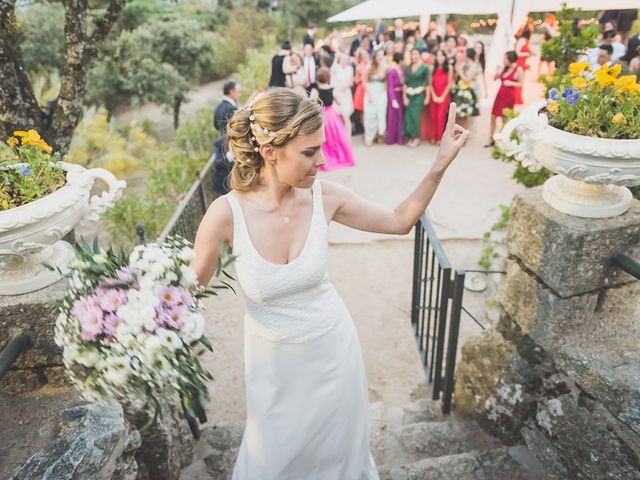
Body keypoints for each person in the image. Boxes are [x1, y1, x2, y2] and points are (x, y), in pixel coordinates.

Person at [190, 88, 470, 480]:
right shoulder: (224, 215)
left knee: (338, 456)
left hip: (334, 352)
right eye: (309, 152)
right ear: (270, 150)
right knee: (274, 460)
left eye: (321, 148)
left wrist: (439, 165)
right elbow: (188, 289)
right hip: (273, 368)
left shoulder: (326, 198)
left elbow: (398, 220)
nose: (322, 161)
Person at [313, 68, 355, 171]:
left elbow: (312, 103)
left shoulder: (316, 90)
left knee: (324, 139)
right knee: (336, 137)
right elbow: (339, 102)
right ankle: (340, 158)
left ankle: (327, 159)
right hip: (332, 115)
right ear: (328, 78)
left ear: (318, 78)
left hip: (321, 114)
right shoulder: (332, 89)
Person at [487, 51, 523, 147]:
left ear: (511, 60)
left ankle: (501, 139)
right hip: (500, 95)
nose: (503, 60)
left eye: (505, 58)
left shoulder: (518, 69)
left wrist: (512, 83)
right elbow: (494, 78)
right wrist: (497, 71)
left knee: (504, 118)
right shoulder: (504, 68)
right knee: (493, 116)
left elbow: (521, 83)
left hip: (509, 96)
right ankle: (491, 139)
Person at [212, 81, 240, 195]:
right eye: (238, 91)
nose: (239, 94)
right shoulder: (231, 108)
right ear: (231, 91)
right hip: (230, 141)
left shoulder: (218, 107)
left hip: (221, 140)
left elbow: (215, 125)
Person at [403, 47, 429, 148]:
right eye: (412, 54)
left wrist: (427, 96)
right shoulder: (408, 68)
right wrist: (404, 96)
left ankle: (417, 138)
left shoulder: (424, 67)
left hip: (419, 94)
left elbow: (427, 83)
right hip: (409, 94)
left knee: (415, 116)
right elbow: (405, 83)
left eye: (416, 54)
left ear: (419, 55)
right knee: (408, 116)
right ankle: (411, 137)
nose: (414, 56)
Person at [428, 49, 453, 145]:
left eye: (441, 55)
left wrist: (442, 96)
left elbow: (449, 84)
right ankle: (433, 137)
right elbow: (430, 84)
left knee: (440, 117)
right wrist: (433, 95)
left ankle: (440, 138)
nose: (440, 58)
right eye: (438, 55)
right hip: (433, 95)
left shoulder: (449, 68)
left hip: (444, 95)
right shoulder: (432, 68)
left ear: (445, 57)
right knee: (433, 116)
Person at [364, 47, 388, 146]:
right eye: (378, 55)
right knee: (370, 115)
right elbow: (365, 81)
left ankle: (380, 135)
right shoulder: (369, 66)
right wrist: (369, 95)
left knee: (381, 114)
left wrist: (385, 93)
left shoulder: (386, 67)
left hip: (381, 93)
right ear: (375, 56)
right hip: (370, 93)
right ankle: (369, 137)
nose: (380, 57)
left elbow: (386, 82)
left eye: (382, 55)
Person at [453, 48, 480, 130]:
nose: (463, 55)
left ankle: (464, 134)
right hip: (459, 89)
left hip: (467, 91)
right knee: (457, 114)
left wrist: (460, 71)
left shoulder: (473, 65)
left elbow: (467, 79)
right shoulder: (463, 64)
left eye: (464, 53)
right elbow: (456, 77)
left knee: (465, 115)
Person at [331, 52, 355, 138]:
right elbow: (331, 72)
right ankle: (340, 136)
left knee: (346, 116)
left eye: (345, 59)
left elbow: (351, 82)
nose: (344, 61)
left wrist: (346, 85)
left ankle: (348, 137)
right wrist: (335, 59)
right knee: (338, 116)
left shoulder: (350, 69)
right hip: (338, 94)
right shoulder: (336, 68)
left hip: (346, 94)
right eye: (342, 59)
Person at [386, 52, 405, 145]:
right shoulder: (392, 71)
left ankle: (399, 138)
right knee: (393, 117)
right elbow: (390, 86)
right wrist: (393, 100)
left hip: (401, 95)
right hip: (394, 95)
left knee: (401, 117)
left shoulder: (403, 70)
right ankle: (391, 139)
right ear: (400, 60)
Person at [353, 48, 370, 136]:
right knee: (362, 111)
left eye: (365, 55)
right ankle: (365, 129)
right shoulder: (359, 67)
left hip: (370, 88)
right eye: (362, 56)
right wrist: (361, 78)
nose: (364, 57)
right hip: (361, 90)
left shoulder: (371, 65)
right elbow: (356, 80)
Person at [514, 29, 531, 105]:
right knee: (519, 81)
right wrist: (526, 54)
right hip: (519, 63)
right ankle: (516, 98)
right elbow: (517, 54)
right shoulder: (521, 41)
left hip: (523, 63)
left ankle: (518, 98)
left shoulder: (526, 41)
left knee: (521, 81)